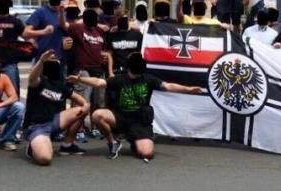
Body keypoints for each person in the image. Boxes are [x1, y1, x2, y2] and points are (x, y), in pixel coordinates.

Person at [68, 52, 202, 162]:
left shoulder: (148, 78)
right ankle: (113, 142)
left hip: (140, 122)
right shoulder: (120, 79)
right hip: (120, 117)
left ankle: (134, 140)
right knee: (97, 115)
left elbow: (168, 86)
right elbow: (98, 82)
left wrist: (188, 89)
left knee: (146, 153)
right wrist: (80, 80)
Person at [23, 50, 90, 165]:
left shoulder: (60, 85)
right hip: (36, 127)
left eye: (55, 62)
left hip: (53, 121)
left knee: (81, 110)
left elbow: (79, 99)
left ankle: (67, 145)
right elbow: (32, 79)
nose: (54, 65)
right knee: (45, 159)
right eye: (50, 62)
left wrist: (86, 106)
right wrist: (41, 61)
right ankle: (33, 147)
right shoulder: (39, 82)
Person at [59, 8, 113, 111]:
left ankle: (95, 127)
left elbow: (104, 50)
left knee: (99, 105)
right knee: (81, 103)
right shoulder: (77, 28)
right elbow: (63, 24)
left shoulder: (100, 31)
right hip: (84, 70)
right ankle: (78, 127)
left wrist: (105, 57)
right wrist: (61, 11)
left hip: (99, 71)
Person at [23, 0, 66, 68]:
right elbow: (25, 32)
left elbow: (68, 30)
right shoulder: (40, 12)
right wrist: (43, 32)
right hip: (42, 59)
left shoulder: (64, 13)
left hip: (60, 59)